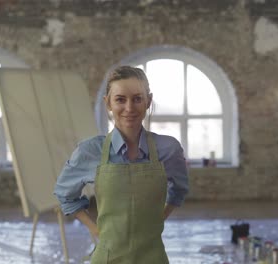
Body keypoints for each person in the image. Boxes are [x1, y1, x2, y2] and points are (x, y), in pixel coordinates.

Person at [53, 65, 189, 263]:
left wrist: (157, 220)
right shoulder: (90, 151)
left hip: (153, 257)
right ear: (107, 103)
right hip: (108, 257)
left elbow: (179, 190)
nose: (129, 108)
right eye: (120, 99)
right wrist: (97, 231)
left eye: (137, 99)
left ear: (148, 101)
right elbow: (65, 195)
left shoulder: (168, 149)